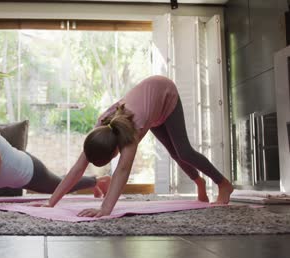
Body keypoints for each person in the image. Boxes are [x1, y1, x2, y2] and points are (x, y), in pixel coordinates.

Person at [41, 75, 234, 217]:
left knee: (183, 151)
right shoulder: (100, 129)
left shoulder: (130, 133)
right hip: (151, 107)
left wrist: (105, 209)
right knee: (174, 154)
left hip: (164, 93)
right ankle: (199, 182)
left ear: (116, 150)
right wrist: (51, 202)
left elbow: (122, 171)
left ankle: (223, 183)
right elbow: (77, 168)